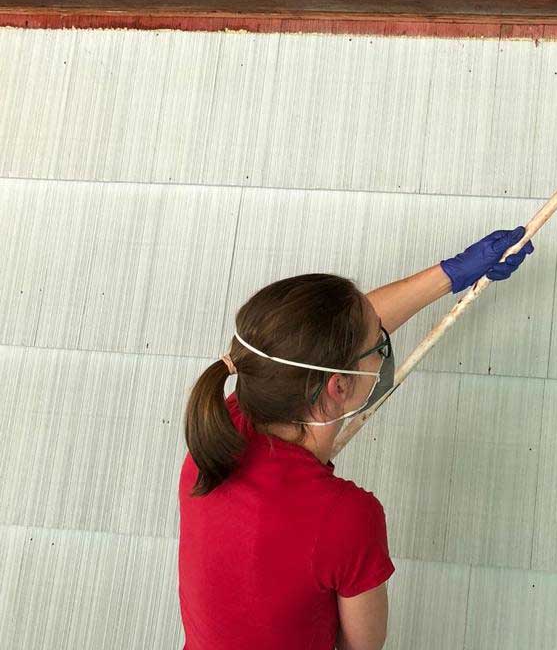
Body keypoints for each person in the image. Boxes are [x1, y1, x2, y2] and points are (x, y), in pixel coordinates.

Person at [178, 226, 535, 650]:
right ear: (338, 387)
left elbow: (312, 342)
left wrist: (452, 274)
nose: (384, 345)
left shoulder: (223, 427)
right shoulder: (344, 517)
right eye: (378, 344)